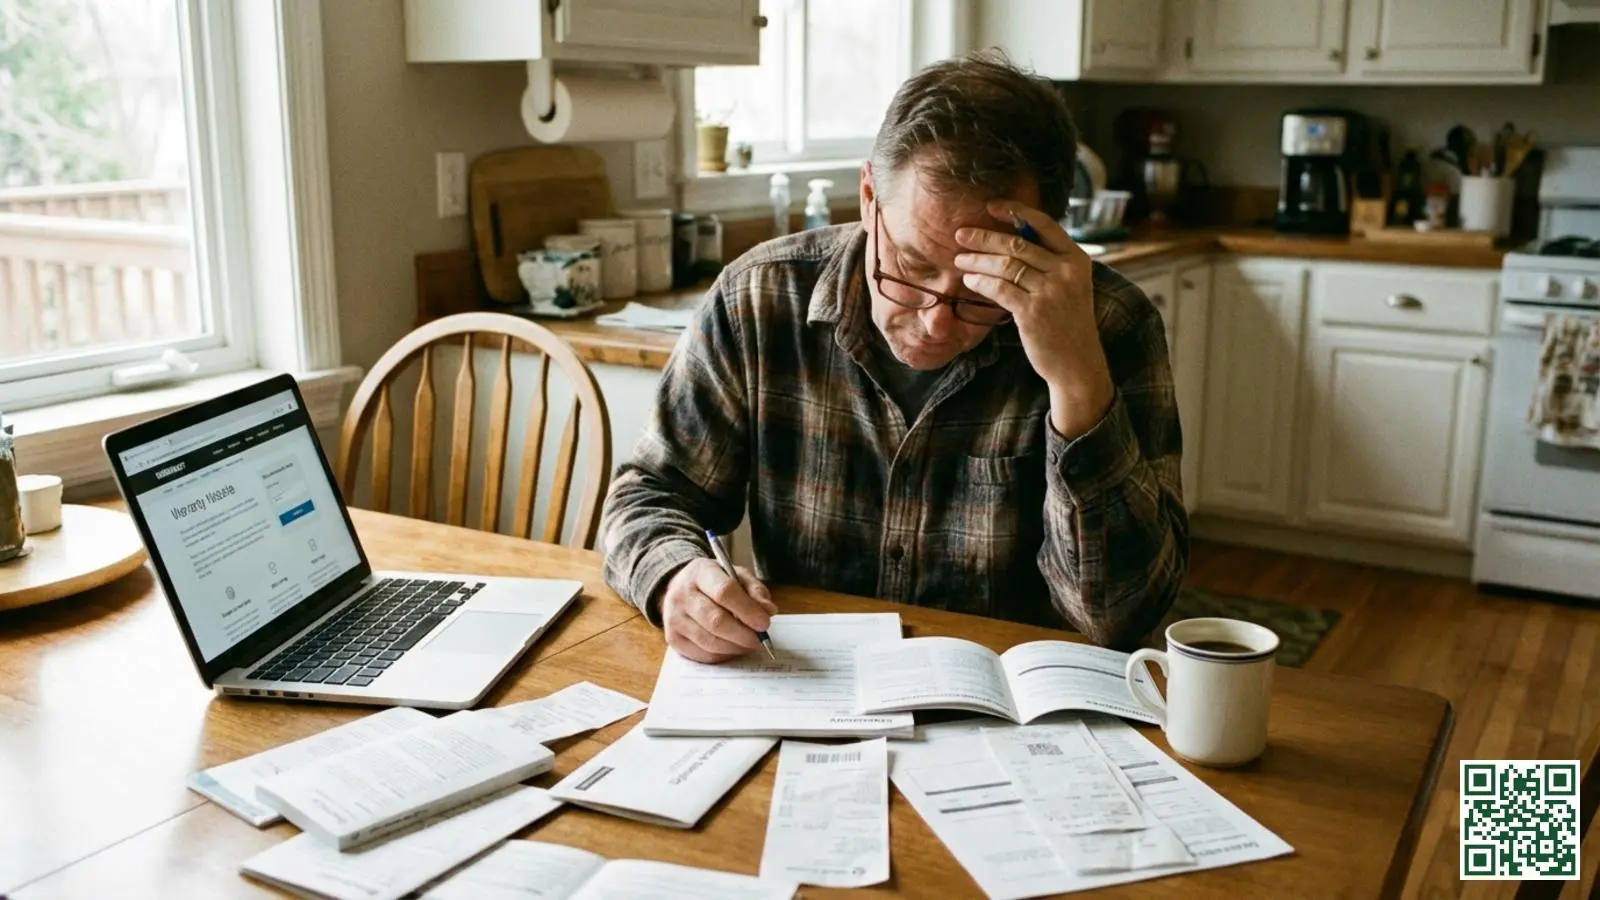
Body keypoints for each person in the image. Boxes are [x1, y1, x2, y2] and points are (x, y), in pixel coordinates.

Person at [600, 50, 1187, 663]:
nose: (936, 321)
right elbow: (648, 495)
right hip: (809, 692)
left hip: (1019, 718)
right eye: (910, 266)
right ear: (868, 195)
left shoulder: (1111, 326)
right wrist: (676, 579)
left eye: (986, 286)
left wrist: (1077, 382)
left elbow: (1122, 618)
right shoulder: (758, 297)